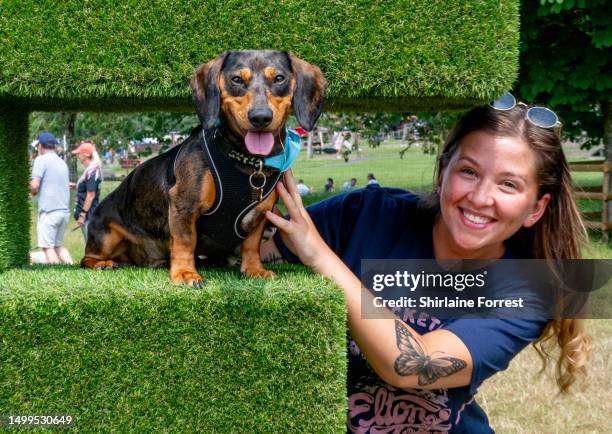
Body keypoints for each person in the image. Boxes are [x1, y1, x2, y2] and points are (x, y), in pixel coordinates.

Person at [262, 96, 590, 433]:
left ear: (536, 208)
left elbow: (412, 366)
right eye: (468, 171)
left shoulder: (527, 292)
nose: (479, 197)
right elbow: (250, 264)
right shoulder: (366, 214)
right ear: (442, 173)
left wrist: (318, 256)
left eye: (508, 184)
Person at [30, 132, 73, 264]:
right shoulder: (62, 162)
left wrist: (29, 188)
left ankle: (55, 273)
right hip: (64, 212)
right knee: (58, 246)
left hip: (49, 213)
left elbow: (35, 186)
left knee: (48, 248)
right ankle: (72, 267)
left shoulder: (40, 160)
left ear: (40, 146)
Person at [70, 140, 102, 241]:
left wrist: (82, 215)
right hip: (89, 215)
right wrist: (77, 186)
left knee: (91, 246)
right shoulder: (90, 170)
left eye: (79, 153)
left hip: (89, 216)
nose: (78, 156)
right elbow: (89, 188)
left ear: (86, 155)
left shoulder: (92, 172)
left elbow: (91, 195)